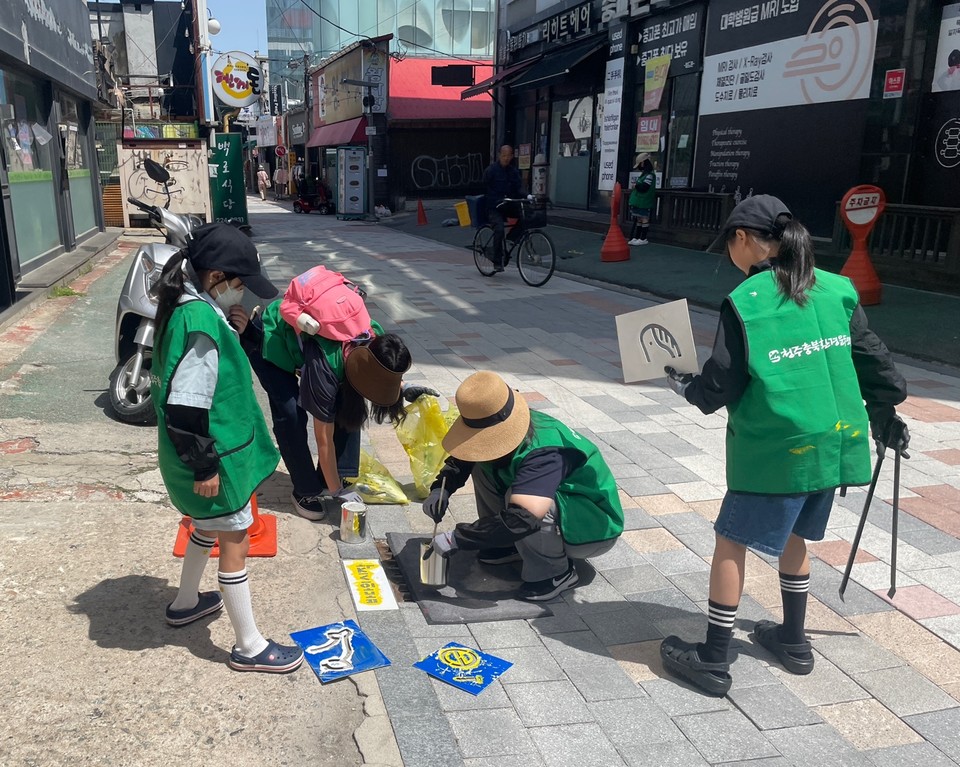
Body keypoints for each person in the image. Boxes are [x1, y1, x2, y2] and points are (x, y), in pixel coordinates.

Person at [657, 195, 909, 696]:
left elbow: (722, 384)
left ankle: (712, 658)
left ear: (744, 240)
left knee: (731, 539)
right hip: (833, 443)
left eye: (729, 243)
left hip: (775, 447)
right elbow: (873, 359)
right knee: (794, 536)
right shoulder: (836, 288)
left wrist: (687, 387)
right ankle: (793, 640)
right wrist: (886, 412)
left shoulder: (747, 301)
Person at [151, 222, 304, 674]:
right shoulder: (202, 324)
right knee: (234, 537)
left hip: (198, 453)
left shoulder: (186, 306)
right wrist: (203, 466)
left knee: (206, 526)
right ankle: (249, 645)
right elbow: (185, 403)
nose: (244, 294)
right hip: (214, 456)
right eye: (239, 284)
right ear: (216, 277)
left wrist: (235, 332)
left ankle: (185, 603)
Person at [229, 272, 437, 521]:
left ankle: (330, 476)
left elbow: (381, 370)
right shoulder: (326, 367)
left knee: (350, 403)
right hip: (271, 342)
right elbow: (323, 439)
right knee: (291, 415)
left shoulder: (373, 336)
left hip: (312, 348)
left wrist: (403, 386)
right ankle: (305, 490)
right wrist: (339, 493)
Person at [423, 371, 625, 602]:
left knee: (526, 501)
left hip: (591, 527)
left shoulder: (545, 453)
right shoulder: (511, 426)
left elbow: (522, 519)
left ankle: (555, 573)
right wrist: (442, 489)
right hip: (561, 512)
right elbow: (466, 456)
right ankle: (506, 544)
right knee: (482, 463)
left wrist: (456, 538)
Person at [482, 145, 524, 273]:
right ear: (499, 155)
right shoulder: (491, 171)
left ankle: (512, 238)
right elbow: (485, 188)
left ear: (512, 156)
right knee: (499, 229)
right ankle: (497, 260)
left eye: (509, 156)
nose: (506, 158)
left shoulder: (513, 171)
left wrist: (527, 195)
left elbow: (519, 188)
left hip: (508, 205)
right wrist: (495, 199)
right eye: (504, 155)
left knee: (527, 217)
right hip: (494, 207)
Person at [628, 153, 656, 246]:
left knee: (644, 218)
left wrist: (636, 185)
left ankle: (643, 238)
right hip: (640, 200)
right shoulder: (645, 174)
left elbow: (645, 187)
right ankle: (637, 237)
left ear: (643, 163)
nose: (639, 167)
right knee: (639, 218)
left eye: (639, 164)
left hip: (644, 200)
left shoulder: (649, 175)